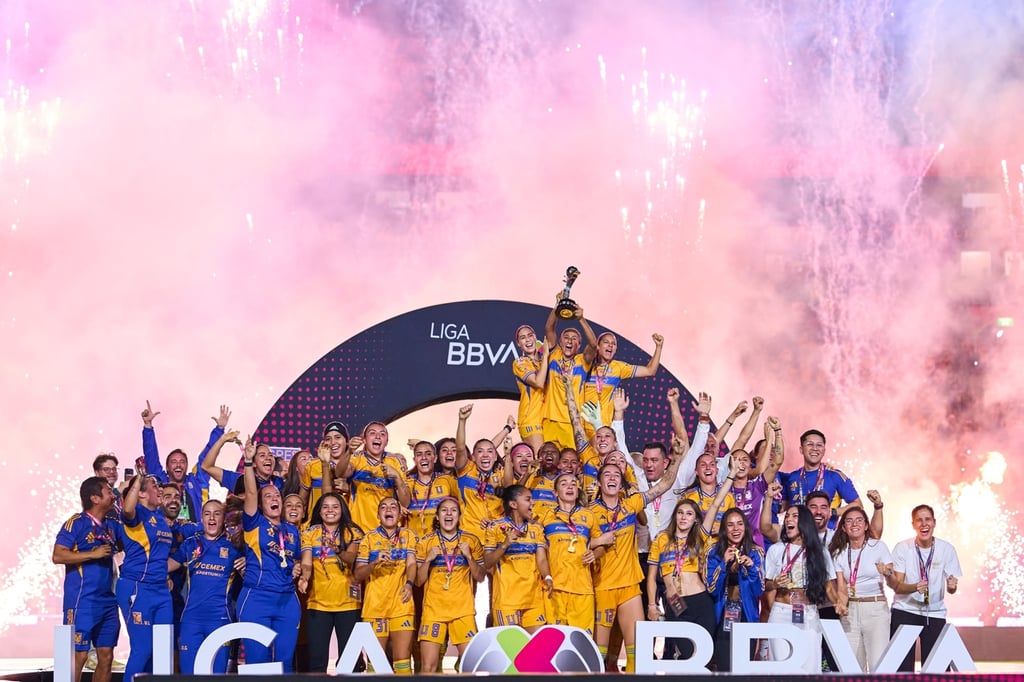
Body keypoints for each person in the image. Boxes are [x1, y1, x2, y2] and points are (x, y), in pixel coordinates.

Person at [589, 436, 685, 673]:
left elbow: (665, 484)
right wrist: (598, 541)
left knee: (637, 651)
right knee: (599, 655)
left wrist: (677, 458)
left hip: (630, 586)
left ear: (621, 483)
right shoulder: (589, 513)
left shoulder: (631, 504)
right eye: (606, 475)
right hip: (602, 586)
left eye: (616, 475)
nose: (611, 477)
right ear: (599, 482)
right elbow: (578, 545)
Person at [646, 463, 734, 665]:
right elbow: (652, 577)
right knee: (687, 654)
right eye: (680, 512)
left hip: (700, 602)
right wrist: (652, 604)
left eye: (689, 514)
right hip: (675, 604)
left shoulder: (700, 538)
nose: (683, 517)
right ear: (675, 515)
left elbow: (715, 504)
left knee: (703, 658)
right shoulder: (661, 539)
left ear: (696, 520)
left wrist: (730, 476)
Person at [237, 434, 302, 672]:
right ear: (261, 504)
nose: (274, 498)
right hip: (256, 598)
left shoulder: (292, 531)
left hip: (287, 601)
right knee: (258, 666)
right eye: (268, 497)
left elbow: (293, 560)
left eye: (277, 496)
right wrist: (247, 462)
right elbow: (252, 494)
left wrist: (297, 567)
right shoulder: (254, 524)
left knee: (285, 664)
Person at [52, 477, 119, 682]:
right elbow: (58, 555)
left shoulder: (110, 526)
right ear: (95, 498)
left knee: (106, 657)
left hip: (107, 601)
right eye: (108, 490)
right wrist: (93, 554)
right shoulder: (76, 523)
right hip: (82, 600)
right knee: (77, 655)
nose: (113, 493)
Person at [168, 500, 244, 674]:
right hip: (191, 621)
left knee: (216, 676)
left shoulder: (233, 547)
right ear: (201, 518)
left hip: (220, 621)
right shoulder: (190, 544)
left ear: (223, 518)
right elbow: (166, 565)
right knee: (189, 675)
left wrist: (248, 562)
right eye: (207, 513)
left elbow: (250, 575)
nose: (211, 517)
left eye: (217, 513)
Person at [885, 504, 962, 672]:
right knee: (902, 671)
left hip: (934, 612)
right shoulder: (903, 548)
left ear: (934, 523)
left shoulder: (946, 549)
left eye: (927, 519)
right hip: (905, 611)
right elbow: (897, 586)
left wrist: (952, 586)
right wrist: (914, 587)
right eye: (919, 520)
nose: (923, 524)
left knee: (938, 671)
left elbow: (952, 587)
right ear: (913, 525)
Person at [763, 505, 837, 673]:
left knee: (809, 666)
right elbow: (766, 585)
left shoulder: (820, 552)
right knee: (781, 668)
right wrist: (775, 583)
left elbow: (828, 586)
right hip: (781, 612)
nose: (788, 519)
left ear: (805, 522)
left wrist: (838, 604)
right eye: (787, 516)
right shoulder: (776, 549)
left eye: (794, 516)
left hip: (808, 613)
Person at [297, 492, 365, 673]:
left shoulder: (353, 532)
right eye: (325, 507)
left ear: (342, 510)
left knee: (349, 662)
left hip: (349, 603)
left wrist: (337, 549)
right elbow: (306, 561)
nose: (330, 510)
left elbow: (351, 558)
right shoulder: (310, 532)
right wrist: (304, 577)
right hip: (318, 603)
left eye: (335, 506)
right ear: (319, 511)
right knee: (317, 660)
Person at [415, 497, 485, 671]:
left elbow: (480, 576)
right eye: (444, 510)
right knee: (428, 667)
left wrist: (469, 557)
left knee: (471, 666)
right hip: (434, 610)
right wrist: (428, 561)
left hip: (463, 611)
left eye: (453, 510)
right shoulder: (426, 542)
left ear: (459, 516)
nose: (448, 513)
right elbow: (418, 580)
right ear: (438, 516)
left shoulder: (472, 541)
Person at [116, 471, 174, 682]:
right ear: (140, 493)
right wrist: (138, 480)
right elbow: (127, 508)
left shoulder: (160, 518)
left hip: (161, 591)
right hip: (137, 588)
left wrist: (164, 575)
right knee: (143, 648)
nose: (160, 489)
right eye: (153, 485)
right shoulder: (136, 513)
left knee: (162, 651)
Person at [354, 497, 418, 674]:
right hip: (375, 607)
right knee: (376, 665)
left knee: (403, 663)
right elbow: (358, 574)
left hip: (401, 604)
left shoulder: (408, 535)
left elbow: (412, 564)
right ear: (378, 514)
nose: (388, 509)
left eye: (393, 507)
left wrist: (409, 584)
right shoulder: (368, 539)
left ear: (399, 514)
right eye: (384, 507)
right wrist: (374, 563)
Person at [142, 402, 231, 522]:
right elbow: (151, 456)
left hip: (195, 536)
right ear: (167, 467)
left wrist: (219, 430)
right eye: (174, 461)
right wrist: (148, 427)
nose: (178, 464)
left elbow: (207, 457)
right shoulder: (160, 482)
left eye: (182, 462)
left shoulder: (198, 481)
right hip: (166, 535)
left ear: (187, 466)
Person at [830, 504, 892, 672]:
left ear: (866, 526)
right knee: (851, 668)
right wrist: (841, 604)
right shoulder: (839, 552)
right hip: (850, 612)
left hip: (875, 610)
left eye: (859, 520)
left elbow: (892, 575)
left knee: (879, 666)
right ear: (843, 527)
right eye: (849, 521)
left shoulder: (878, 546)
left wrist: (887, 572)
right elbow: (842, 588)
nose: (854, 524)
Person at [483, 485, 553, 632]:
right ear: (513, 504)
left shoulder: (536, 529)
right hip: (506, 601)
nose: (532, 503)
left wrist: (547, 577)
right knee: (511, 652)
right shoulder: (495, 528)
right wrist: (504, 545)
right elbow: (487, 563)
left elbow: (541, 559)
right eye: (528, 499)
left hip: (533, 599)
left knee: (535, 651)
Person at [705, 507, 765, 671]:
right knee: (724, 667)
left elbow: (759, 590)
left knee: (744, 669)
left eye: (739, 524)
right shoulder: (713, 552)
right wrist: (723, 564)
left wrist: (751, 568)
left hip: (747, 614)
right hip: (722, 615)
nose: (735, 529)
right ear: (724, 529)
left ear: (745, 527)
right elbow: (711, 589)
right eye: (730, 525)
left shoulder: (755, 552)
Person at [539, 473, 599, 634]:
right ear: (555, 493)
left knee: (581, 644)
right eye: (564, 483)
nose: (570, 486)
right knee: (555, 644)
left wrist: (596, 554)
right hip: (555, 588)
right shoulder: (545, 517)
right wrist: (547, 577)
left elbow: (600, 544)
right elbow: (539, 551)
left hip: (582, 589)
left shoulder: (588, 515)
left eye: (573, 483)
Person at [580, 332, 664, 434]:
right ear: (598, 346)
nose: (610, 345)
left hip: (603, 427)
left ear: (615, 349)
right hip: (581, 427)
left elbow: (650, 371)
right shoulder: (585, 365)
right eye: (606, 342)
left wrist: (658, 347)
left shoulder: (619, 368)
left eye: (614, 344)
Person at [541, 301, 598, 450]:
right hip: (550, 419)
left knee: (570, 463)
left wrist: (581, 319)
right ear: (560, 341)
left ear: (578, 346)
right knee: (548, 461)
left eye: (574, 339)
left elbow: (593, 345)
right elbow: (549, 328)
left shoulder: (582, 361)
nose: (569, 341)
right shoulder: (555, 355)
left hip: (571, 421)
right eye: (566, 337)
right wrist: (556, 306)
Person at [778, 429, 862, 530]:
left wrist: (832, 512)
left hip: (827, 540)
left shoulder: (835, 476)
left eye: (819, 445)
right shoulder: (792, 477)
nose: (815, 448)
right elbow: (783, 507)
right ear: (801, 450)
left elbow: (858, 505)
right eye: (810, 444)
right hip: (798, 537)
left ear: (824, 451)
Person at [299, 421, 361, 516]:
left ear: (346, 441)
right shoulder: (312, 466)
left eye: (338, 437)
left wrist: (350, 489)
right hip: (317, 524)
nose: (333, 442)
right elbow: (301, 500)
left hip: (348, 524)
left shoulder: (358, 464)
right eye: (328, 439)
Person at [406, 441, 459, 539]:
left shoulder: (448, 480)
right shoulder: (406, 483)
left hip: (439, 544)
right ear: (414, 460)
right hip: (413, 544)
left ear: (435, 458)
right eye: (419, 454)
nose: (424, 457)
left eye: (428, 454)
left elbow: (464, 503)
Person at [511, 324, 551, 453]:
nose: (528, 340)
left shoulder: (543, 363)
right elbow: (538, 382)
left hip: (546, 419)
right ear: (518, 343)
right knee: (540, 462)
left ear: (535, 337)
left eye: (530, 335)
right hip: (530, 420)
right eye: (523, 338)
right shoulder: (520, 362)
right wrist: (545, 355)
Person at [681, 453, 737, 534]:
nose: (708, 468)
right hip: (697, 544)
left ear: (717, 470)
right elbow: (681, 526)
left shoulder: (728, 497)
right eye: (703, 465)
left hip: (722, 544)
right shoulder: (688, 497)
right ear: (696, 471)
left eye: (712, 464)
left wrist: (722, 529)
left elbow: (735, 524)